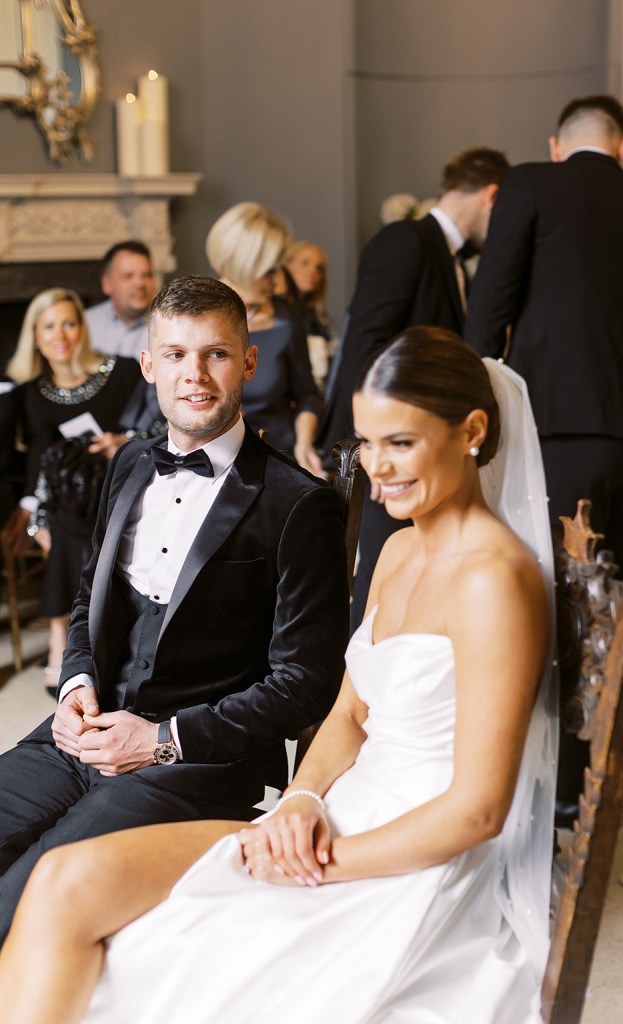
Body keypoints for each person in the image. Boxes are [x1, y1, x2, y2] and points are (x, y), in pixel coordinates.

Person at [0, 327, 559, 1024]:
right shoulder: (398, 552)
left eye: (400, 442)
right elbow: (349, 715)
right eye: (366, 442)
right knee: (61, 879)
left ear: (471, 430)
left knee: (94, 919)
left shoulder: (493, 581)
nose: (376, 468)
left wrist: (319, 859)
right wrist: (299, 804)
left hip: (408, 850)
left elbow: (477, 811)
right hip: (330, 810)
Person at [0, 275, 349, 945]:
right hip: (84, 732)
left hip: (194, 763)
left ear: (248, 361)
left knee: (34, 892)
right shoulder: (129, 464)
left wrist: (160, 740)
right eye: (177, 354)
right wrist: (75, 685)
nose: (196, 375)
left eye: (216, 353)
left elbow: (305, 687)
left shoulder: (298, 503)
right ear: (148, 364)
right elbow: (85, 602)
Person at [465, 94, 623, 807]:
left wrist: (466, 404)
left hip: (557, 424)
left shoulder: (531, 182)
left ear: (557, 144)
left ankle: (562, 780)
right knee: (613, 590)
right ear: (622, 146)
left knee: (552, 590)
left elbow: (489, 303)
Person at [318, 146, 510, 627]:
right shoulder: (405, 239)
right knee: (382, 594)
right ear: (493, 196)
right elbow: (366, 344)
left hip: (419, 448)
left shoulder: (447, 257)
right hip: (396, 451)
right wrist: (379, 448)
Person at [3, 288, 151, 690]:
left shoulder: (121, 373)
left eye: (69, 323)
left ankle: (64, 641)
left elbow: (159, 424)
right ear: (35, 336)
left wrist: (126, 439)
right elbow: (40, 461)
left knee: (79, 522)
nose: (60, 335)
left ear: (82, 328)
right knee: (67, 521)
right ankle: (81, 640)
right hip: (73, 503)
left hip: (127, 485)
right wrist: (37, 517)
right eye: (48, 326)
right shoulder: (33, 393)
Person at [205, 202, 323, 474]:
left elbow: (307, 395)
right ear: (244, 265)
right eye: (269, 270)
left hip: (279, 457)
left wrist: (304, 444)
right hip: (216, 460)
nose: (278, 279)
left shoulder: (286, 319)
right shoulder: (197, 319)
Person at [85, 240, 156, 360]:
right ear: (106, 284)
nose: (140, 284)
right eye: (128, 276)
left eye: (146, 275)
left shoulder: (170, 325)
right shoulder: (85, 325)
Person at [284, 240, 334, 391]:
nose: (313, 271)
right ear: (287, 266)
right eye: (305, 263)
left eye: (319, 268)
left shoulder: (319, 318)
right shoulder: (279, 315)